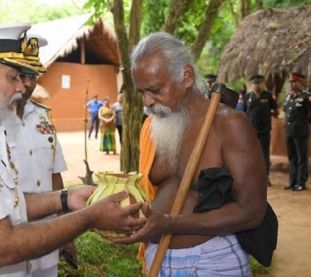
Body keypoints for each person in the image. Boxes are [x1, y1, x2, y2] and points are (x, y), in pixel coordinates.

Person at [0, 23, 146, 277]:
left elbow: (4, 203)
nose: (20, 87)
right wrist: (90, 217)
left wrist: (64, 198)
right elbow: (1, 246)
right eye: (12, 77)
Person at [111, 32, 266, 277]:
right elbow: (151, 191)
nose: (148, 102)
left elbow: (252, 211)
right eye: (141, 92)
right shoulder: (153, 127)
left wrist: (170, 224)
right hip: (157, 258)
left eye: (155, 90)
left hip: (213, 261)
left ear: (186, 76)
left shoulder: (229, 125)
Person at [2, 34, 76, 277]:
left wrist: (65, 232)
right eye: (20, 75)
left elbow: (55, 176)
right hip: (10, 235)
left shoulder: (44, 118)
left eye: (32, 76)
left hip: (46, 234)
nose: (27, 83)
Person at [243, 74, 279, 186]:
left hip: (264, 129)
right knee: (250, 154)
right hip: (251, 130)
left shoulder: (268, 96)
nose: (256, 85)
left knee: (264, 154)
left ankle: (265, 177)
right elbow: (243, 113)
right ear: (251, 84)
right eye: (254, 83)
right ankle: (251, 177)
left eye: (259, 83)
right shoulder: (247, 96)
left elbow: (276, 111)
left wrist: (268, 115)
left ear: (262, 84)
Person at [283, 72, 311, 191]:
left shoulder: (306, 97)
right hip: (289, 132)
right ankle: (292, 181)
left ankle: (301, 182)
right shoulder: (289, 97)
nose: (292, 84)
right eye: (291, 82)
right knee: (292, 158)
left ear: (301, 83)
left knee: (301, 158)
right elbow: (286, 113)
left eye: (294, 82)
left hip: (300, 131)